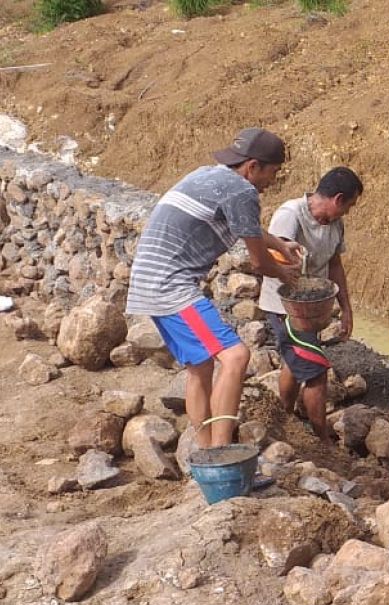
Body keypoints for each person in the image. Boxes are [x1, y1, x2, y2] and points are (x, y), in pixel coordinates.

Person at [125, 128, 302, 449]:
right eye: (273, 172)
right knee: (236, 356)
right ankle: (221, 454)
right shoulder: (242, 192)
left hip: (149, 281)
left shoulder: (208, 176)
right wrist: (288, 275)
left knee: (201, 366)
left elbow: (246, 226)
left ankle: (206, 451)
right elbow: (261, 264)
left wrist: (279, 243)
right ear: (252, 166)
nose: (272, 181)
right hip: (171, 287)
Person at [258, 166, 364, 445]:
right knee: (316, 372)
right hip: (286, 307)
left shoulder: (334, 224)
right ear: (338, 199)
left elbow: (335, 265)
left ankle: (285, 419)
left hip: (313, 308)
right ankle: (322, 441)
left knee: (294, 364)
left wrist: (346, 308)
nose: (348, 213)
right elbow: (274, 257)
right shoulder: (290, 215)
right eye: (349, 206)